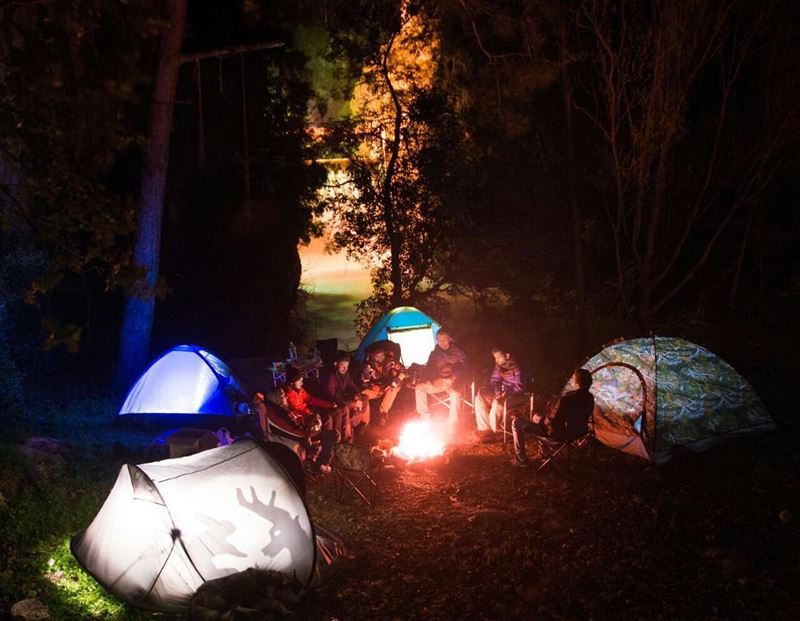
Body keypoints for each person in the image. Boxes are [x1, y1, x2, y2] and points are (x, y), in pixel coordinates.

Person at [511, 368, 594, 467]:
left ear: (577, 384)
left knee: (516, 422)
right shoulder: (590, 398)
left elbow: (553, 422)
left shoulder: (567, 399)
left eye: (573, 379)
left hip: (558, 436)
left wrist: (543, 421)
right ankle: (543, 453)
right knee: (536, 416)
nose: (571, 380)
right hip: (577, 433)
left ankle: (521, 459)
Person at [282, 366, 339, 474]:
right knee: (333, 434)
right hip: (305, 421)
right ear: (293, 382)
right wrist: (311, 417)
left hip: (310, 415)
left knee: (328, 419)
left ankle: (321, 448)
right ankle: (321, 459)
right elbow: (295, 413)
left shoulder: (299, 390)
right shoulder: (288, 395)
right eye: (300, 381)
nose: (302, 383)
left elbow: (310, 399)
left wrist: (328, 405)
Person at [414, 329, 468, 436]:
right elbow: (428, 369)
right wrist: (430, 380)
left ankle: (452, 424)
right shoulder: (434, 354)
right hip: (439, 382)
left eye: (444, 340)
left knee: (455, 394)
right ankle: (425, 419)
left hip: (455, 381)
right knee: (419, 388)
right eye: (439, 340)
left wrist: (453, 377)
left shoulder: (458, 351)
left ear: (449, 339)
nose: (442, 343)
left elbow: (465, 366)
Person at [474, 347, 525, 441]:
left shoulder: (518, 367)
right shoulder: (499, 366)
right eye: (495, 358)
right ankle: (485, 430)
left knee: (497, 403)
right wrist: (498, 391)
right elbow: (494, 380)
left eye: (498, 357)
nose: (496, 360)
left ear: (507, 355)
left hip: (517, 395)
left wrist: (506, 393)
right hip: (502, 394)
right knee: (479, 398)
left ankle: (494, 432)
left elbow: (519, 388)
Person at [322, 351, 367, 441]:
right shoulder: (330, 376)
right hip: (334, 401)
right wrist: (350, 402)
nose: (345, 369)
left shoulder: (345, 374)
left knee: (364, 398)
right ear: (336, 364)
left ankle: (359, 424)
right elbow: (331, 395)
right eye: (343, 366)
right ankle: (347, 436)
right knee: (345, 408)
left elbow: (352, 385)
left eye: (347, 367)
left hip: (344, 397)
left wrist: (356, 396)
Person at [360, 344, 407, 427]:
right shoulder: (368, 367)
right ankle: (364, 423)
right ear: (373, 357)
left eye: (381, 355)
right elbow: (364, 383)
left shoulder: (391, 362)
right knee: (364, 395)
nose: (380, 358)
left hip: (387, 387)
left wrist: (395, 381)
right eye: (377, 356)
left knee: (394, 388)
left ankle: (383, 414)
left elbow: (403, 371)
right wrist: (373, 387)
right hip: (375, 390)